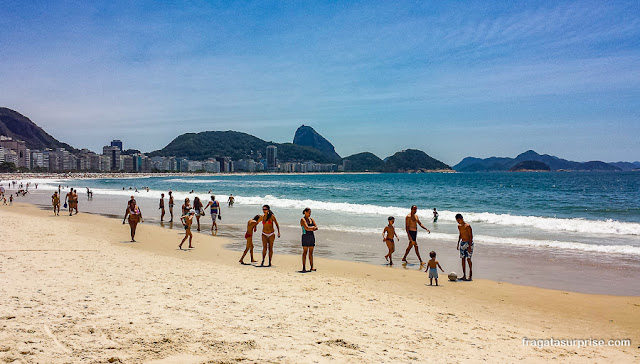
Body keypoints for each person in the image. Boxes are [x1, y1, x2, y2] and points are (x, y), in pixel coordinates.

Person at [456, 213, 473, 281]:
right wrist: (458, 243)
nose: (458, 222)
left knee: (468, 259)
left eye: (459, 220)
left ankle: (470, 274)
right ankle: (464, 275)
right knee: (463, 259)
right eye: (457, 221)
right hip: (462, 243)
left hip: (469, 243)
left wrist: (469, 246)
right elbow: (460, 234)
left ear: (462, 219)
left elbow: (471, 236)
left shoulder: (467, 226)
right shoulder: (459, 226)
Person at [300, 208, 318, 272]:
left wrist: (312, 228)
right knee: (305, 252)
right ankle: (304, 267)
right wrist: (312, 228)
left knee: (311, 253)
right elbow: (306, 228)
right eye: (308, 212)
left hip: (311, 236)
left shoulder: (311, 219)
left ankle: (311, 267)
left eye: (310, 212)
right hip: (305, 236)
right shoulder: (302, 219)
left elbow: (316, 227)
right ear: (305, 212)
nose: (310, 214)